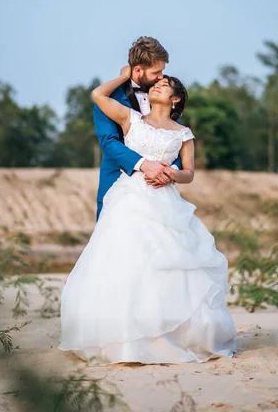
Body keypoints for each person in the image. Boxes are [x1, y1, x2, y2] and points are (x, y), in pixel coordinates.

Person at [59, 63, 237, 365]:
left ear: (176, 99)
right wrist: (125, 75)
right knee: (127, 263)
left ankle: (172, 336)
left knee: (169, 263)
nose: (157, 85)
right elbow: (97, 95)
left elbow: (190, 172)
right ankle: (125, 338)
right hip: (128, 200)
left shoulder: (183, 134)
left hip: (165, 202)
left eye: (165, 84)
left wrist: (171, 174)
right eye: (157, 81)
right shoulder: (131, 119)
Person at [93, 37, 182, 220]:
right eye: (156, 72)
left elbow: (176, 139)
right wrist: (145, 165)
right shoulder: (109, 98)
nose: (161, 77)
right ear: (138, 70)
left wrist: (170, 171)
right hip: (118, 185)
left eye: (162, 72)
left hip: (160, 193)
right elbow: (109, 143)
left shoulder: (164, 96)